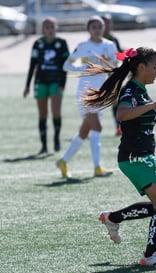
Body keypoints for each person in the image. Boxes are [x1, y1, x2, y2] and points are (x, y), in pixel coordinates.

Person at [82, 47, 156, 266]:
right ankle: (150, 255)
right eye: (155, 67)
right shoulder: (131, 91)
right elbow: (122, 114)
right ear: (141, 67)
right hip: (136, 157)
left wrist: (150, 104)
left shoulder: (139, 89)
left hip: (141, 156)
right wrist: (152, 105)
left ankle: (113, 218)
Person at [56, 16, 117, 178]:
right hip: (85, 92)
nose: (97, 29)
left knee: (85, 131)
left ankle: (63, 161)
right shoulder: (83, 47)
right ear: (88, 29)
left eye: (100, 26)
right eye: (94, 27)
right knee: (97, 128)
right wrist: (85, 67)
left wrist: (109, 64)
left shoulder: (109, 45)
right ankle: (97, 168)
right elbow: (67, 65)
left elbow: (116, 65)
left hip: (102, 92)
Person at [23, 17, 69, 154]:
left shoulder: (62, 43)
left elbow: (65, 65)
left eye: (52, 27)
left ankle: (56, 138)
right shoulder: (38, 44)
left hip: (55, 82)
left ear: (56, 28)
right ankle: (43, 146)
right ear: (43, 29)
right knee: (42, 114)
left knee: (56, 112)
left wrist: (63, 83)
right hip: (41, 82)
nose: (49, 29)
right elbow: (32, 65)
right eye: (47, 27)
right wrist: (27, 85)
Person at [102, 14, 123, 136]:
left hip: (112, 74)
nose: (108, 26)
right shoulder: (96, 40)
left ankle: (118, 127)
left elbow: (119, 55)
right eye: (106, 23)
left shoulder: (113, 39)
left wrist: (126, 54)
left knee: (115, 100)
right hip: (98, 75)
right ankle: (89, 125)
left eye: (110, 23)